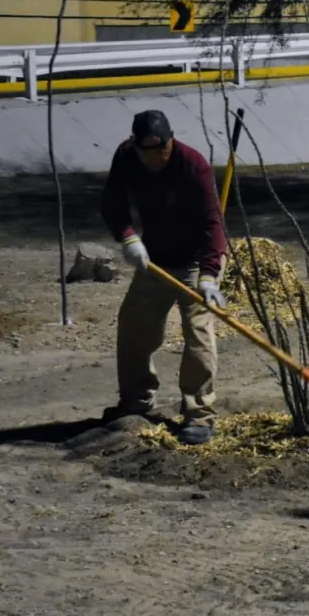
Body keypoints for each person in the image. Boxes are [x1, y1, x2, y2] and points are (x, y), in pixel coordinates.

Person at [100, 110, 228, 446]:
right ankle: (136, 403)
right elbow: (112, 202)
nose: (155, 159)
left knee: (198, 332)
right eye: (147, 152)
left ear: (171, 142)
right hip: (154, 260)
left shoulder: (192, 164)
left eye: (162, 150)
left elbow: (213, 223)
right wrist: (128, 237)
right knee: (134, 326)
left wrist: (209, 276)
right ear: (134, 145)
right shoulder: (126, 157)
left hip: (197, 262)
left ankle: (199, 414)